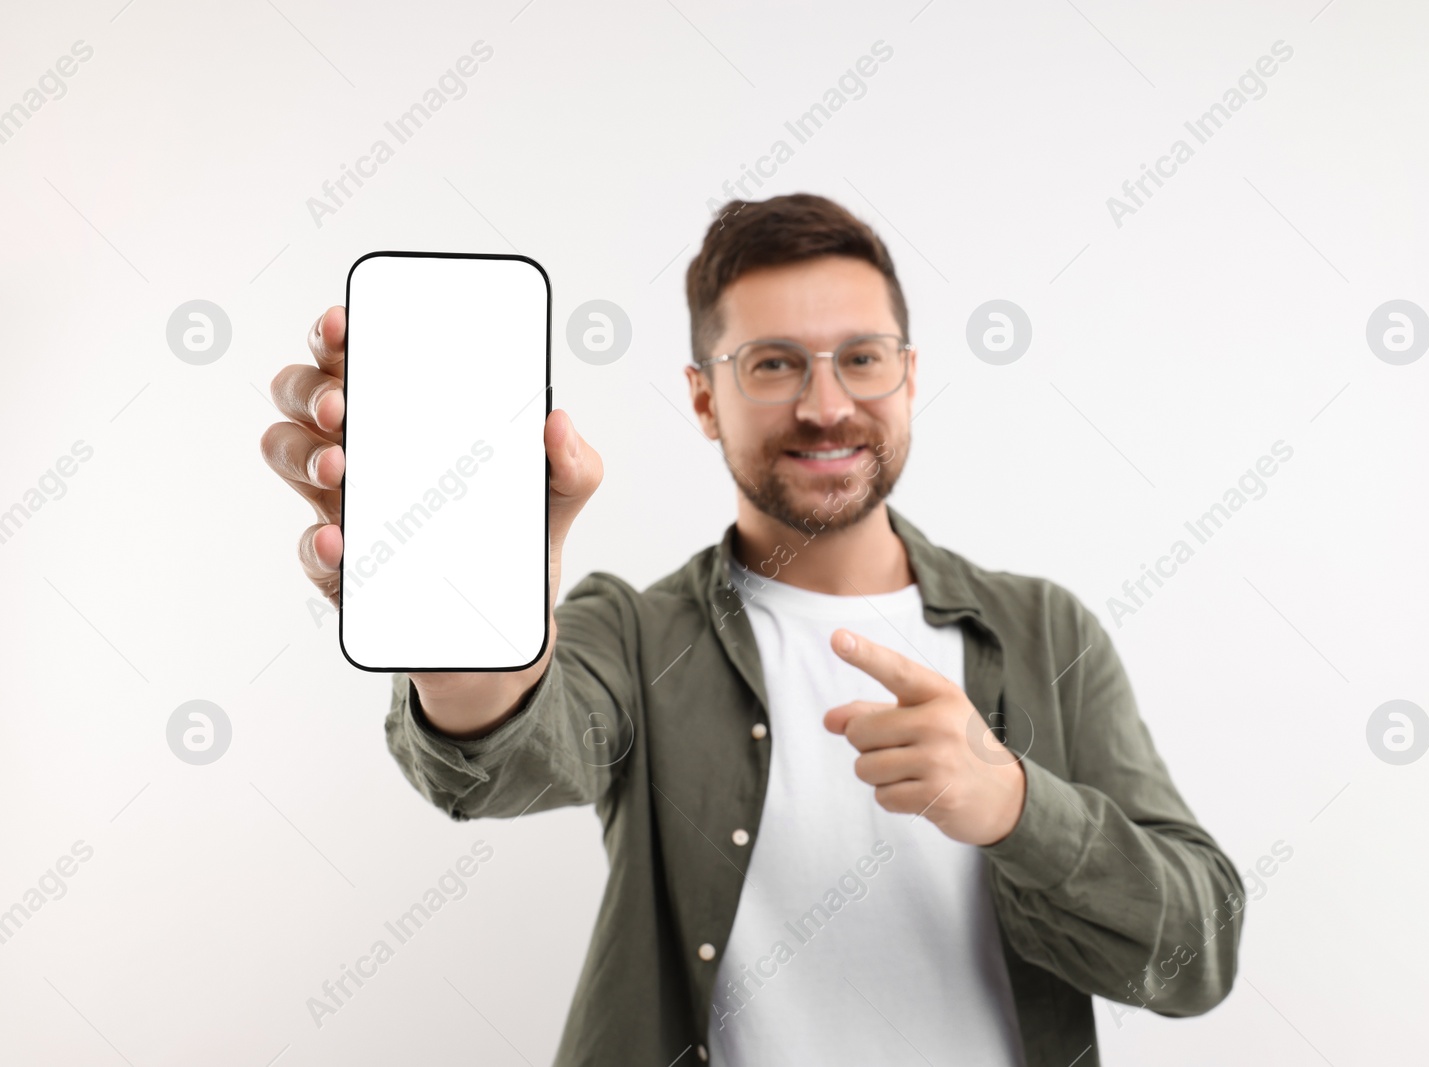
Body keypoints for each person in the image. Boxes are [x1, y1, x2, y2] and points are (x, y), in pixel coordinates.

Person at [261, 193, 1245, 1066]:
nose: (826, 405)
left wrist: (1015, 803)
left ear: (907, 377)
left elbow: (1195, 955)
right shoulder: (638, 634)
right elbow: (502, 756)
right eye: (773, 363)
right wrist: (471, 647)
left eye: (860, 358)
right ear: (703, 397)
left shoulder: (1043, 629)